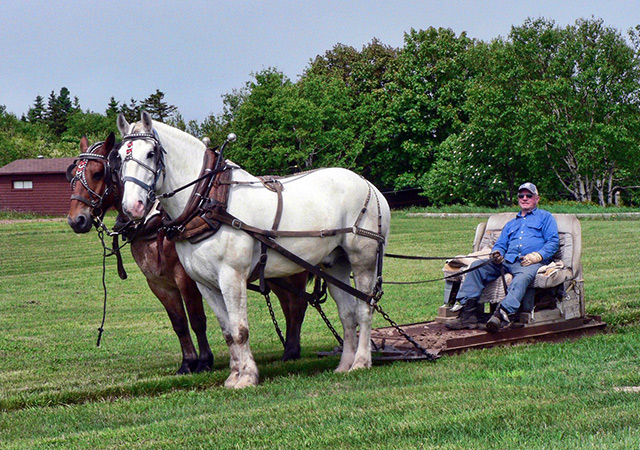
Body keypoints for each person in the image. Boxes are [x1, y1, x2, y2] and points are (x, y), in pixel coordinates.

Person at [446, 182, 559, 333]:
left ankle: (501, 315)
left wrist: (538, 256)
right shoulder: (511, 223)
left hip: (528, 263)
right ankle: (467, 315)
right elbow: (500, 244)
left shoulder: (546, 218)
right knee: (476, 267)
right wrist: (497, 253)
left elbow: (553, 242)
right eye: (521, 195)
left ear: (537, 199)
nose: (524, 198)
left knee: (522, 278)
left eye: (529, 195)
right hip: (506, 261)